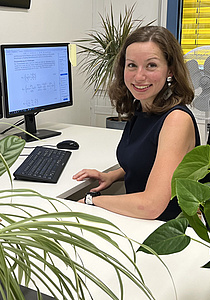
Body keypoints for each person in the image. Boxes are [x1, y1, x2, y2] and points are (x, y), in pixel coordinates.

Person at [73, 26, 200, 221]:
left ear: (170, 71)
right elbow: (150, 160)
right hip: (139, 218)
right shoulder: (143, 107)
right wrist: (113, 176)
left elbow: (151, 206)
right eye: (132, 65)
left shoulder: (176, 120)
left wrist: (93, 200)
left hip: (164, 228)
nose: (139, 76)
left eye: (151, 65)